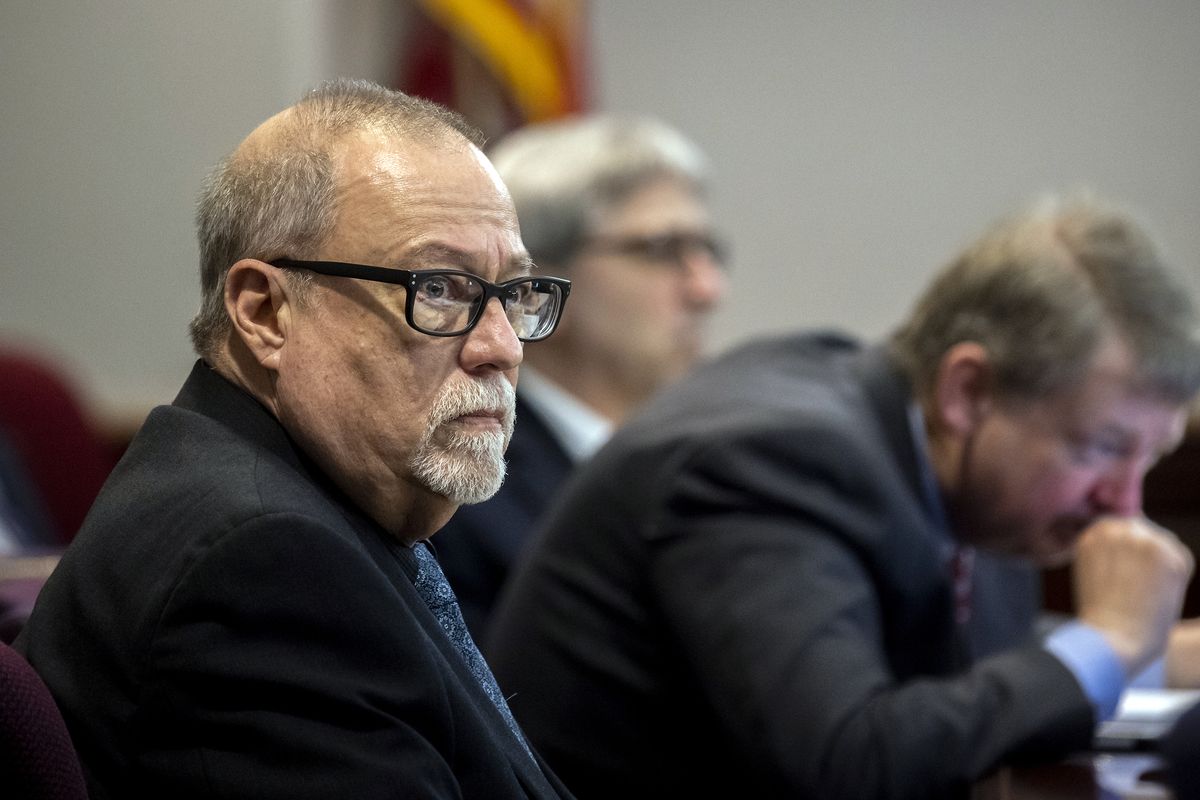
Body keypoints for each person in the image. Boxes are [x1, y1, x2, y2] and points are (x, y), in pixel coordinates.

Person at [487, 194, 1200, 798]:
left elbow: (953, 660)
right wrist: (1110, 641)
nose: (1125, 502)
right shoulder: (769, 461)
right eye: (1102, 447)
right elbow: (846, 762)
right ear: (969, 392)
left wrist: (1151, 654)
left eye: (1150, 457)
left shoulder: (927, 450)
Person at [16, 79, 574, 799]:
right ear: (265, 312)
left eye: (514, 294)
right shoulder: (262, 564)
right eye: (440, 288)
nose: (502, 347)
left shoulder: (303, 498)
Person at [434, 115, 727, 638]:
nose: (707, 289)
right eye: (663, 251)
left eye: (708, 251)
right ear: (538, 284)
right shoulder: (461, 483)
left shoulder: (717, 464)